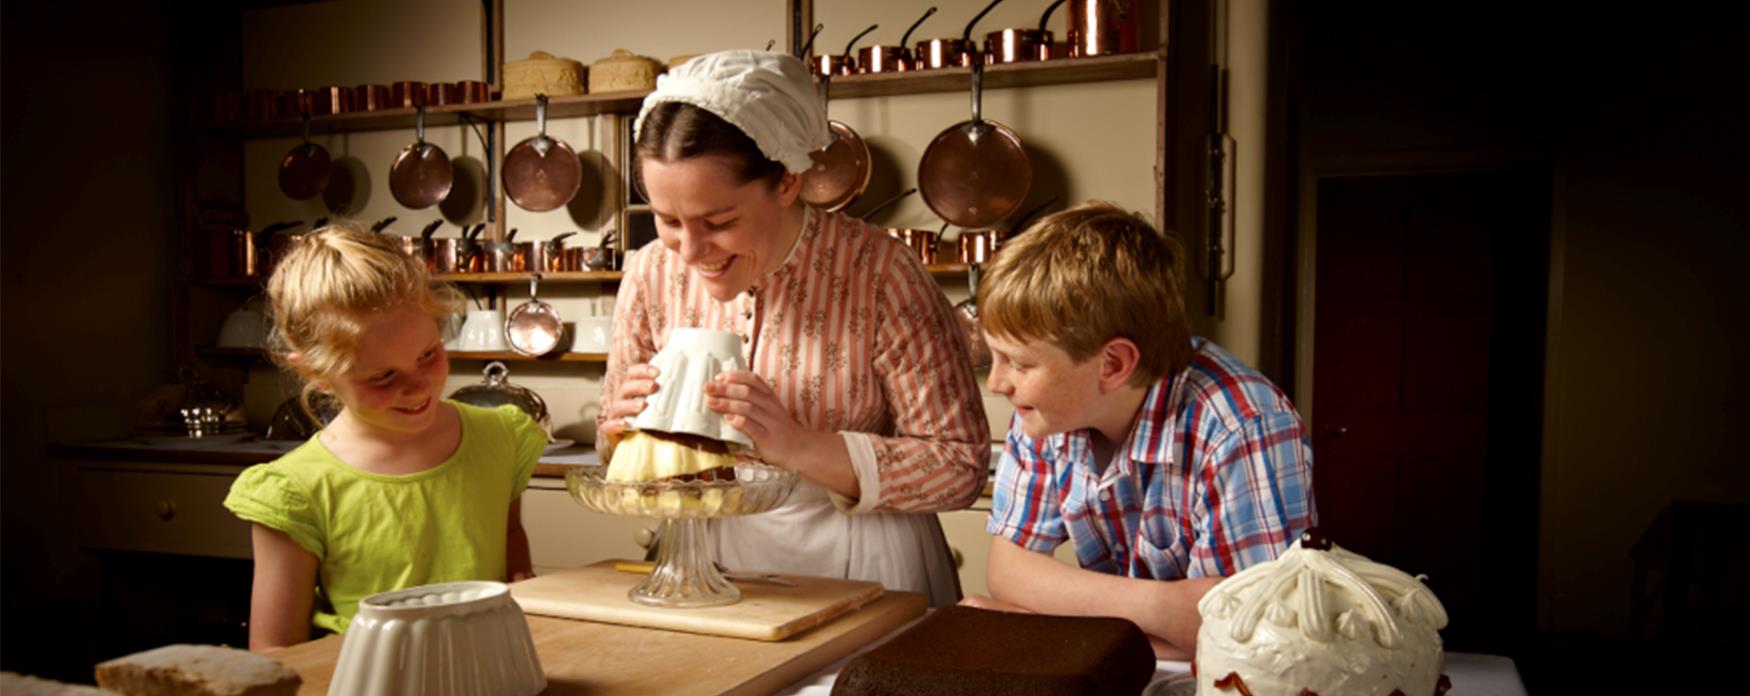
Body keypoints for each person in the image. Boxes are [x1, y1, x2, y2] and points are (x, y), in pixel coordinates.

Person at [597, 50, 988, 606]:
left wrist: (799, 445)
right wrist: (619, 433)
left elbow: (960, 465)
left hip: (866, 562)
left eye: (719, 221)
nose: (690, 250)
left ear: (787, 181)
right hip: (705, 559)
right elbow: (614, 452)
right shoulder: (648, 273)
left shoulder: (880, 272)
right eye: (667, 220)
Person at [963, 202, 1317, 658]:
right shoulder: (1046, 414)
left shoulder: (1242, 428)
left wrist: (1038, 622)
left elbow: (1248, 639)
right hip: (1132, 662)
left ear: (1113, 364)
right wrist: (1167, 608)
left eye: (1019, 362)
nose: (996, 382)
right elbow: (1008, 570)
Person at [224, 226, 542, 650]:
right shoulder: (293, 491)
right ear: (315, 374)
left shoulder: (499, 437)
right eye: (383, 376)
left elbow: (509, 549)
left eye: (428, 354)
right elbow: (277, 655)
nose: (418, 386)